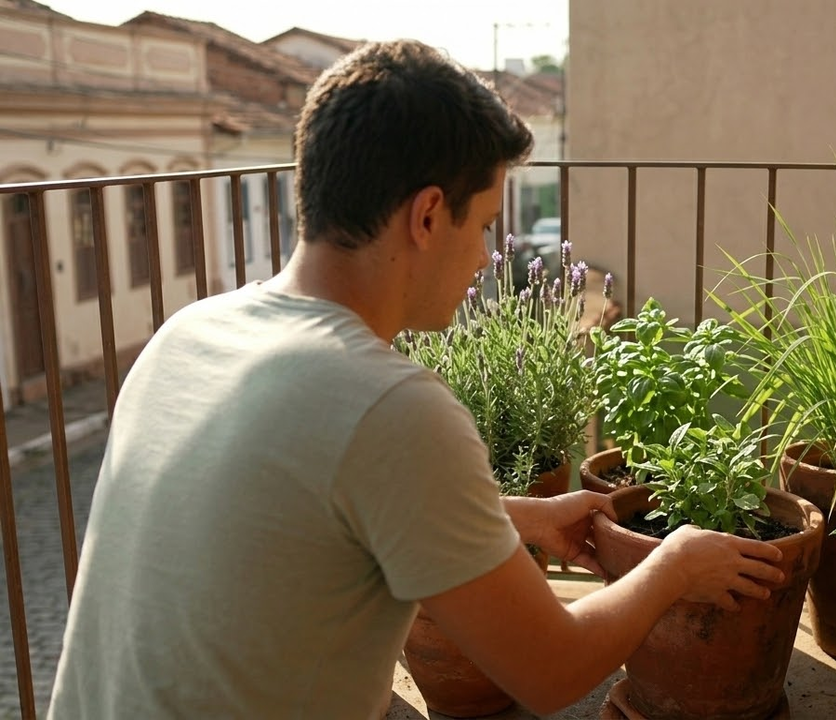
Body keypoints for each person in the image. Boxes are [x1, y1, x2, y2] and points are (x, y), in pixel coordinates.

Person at [48, 39, 784, 718]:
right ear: (429, 216)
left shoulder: (187, 334)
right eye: (487, 224)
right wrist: (676, 565)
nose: (486, 255)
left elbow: (314, 507)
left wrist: (513, 517)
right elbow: (553, 671)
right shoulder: (390, 406)